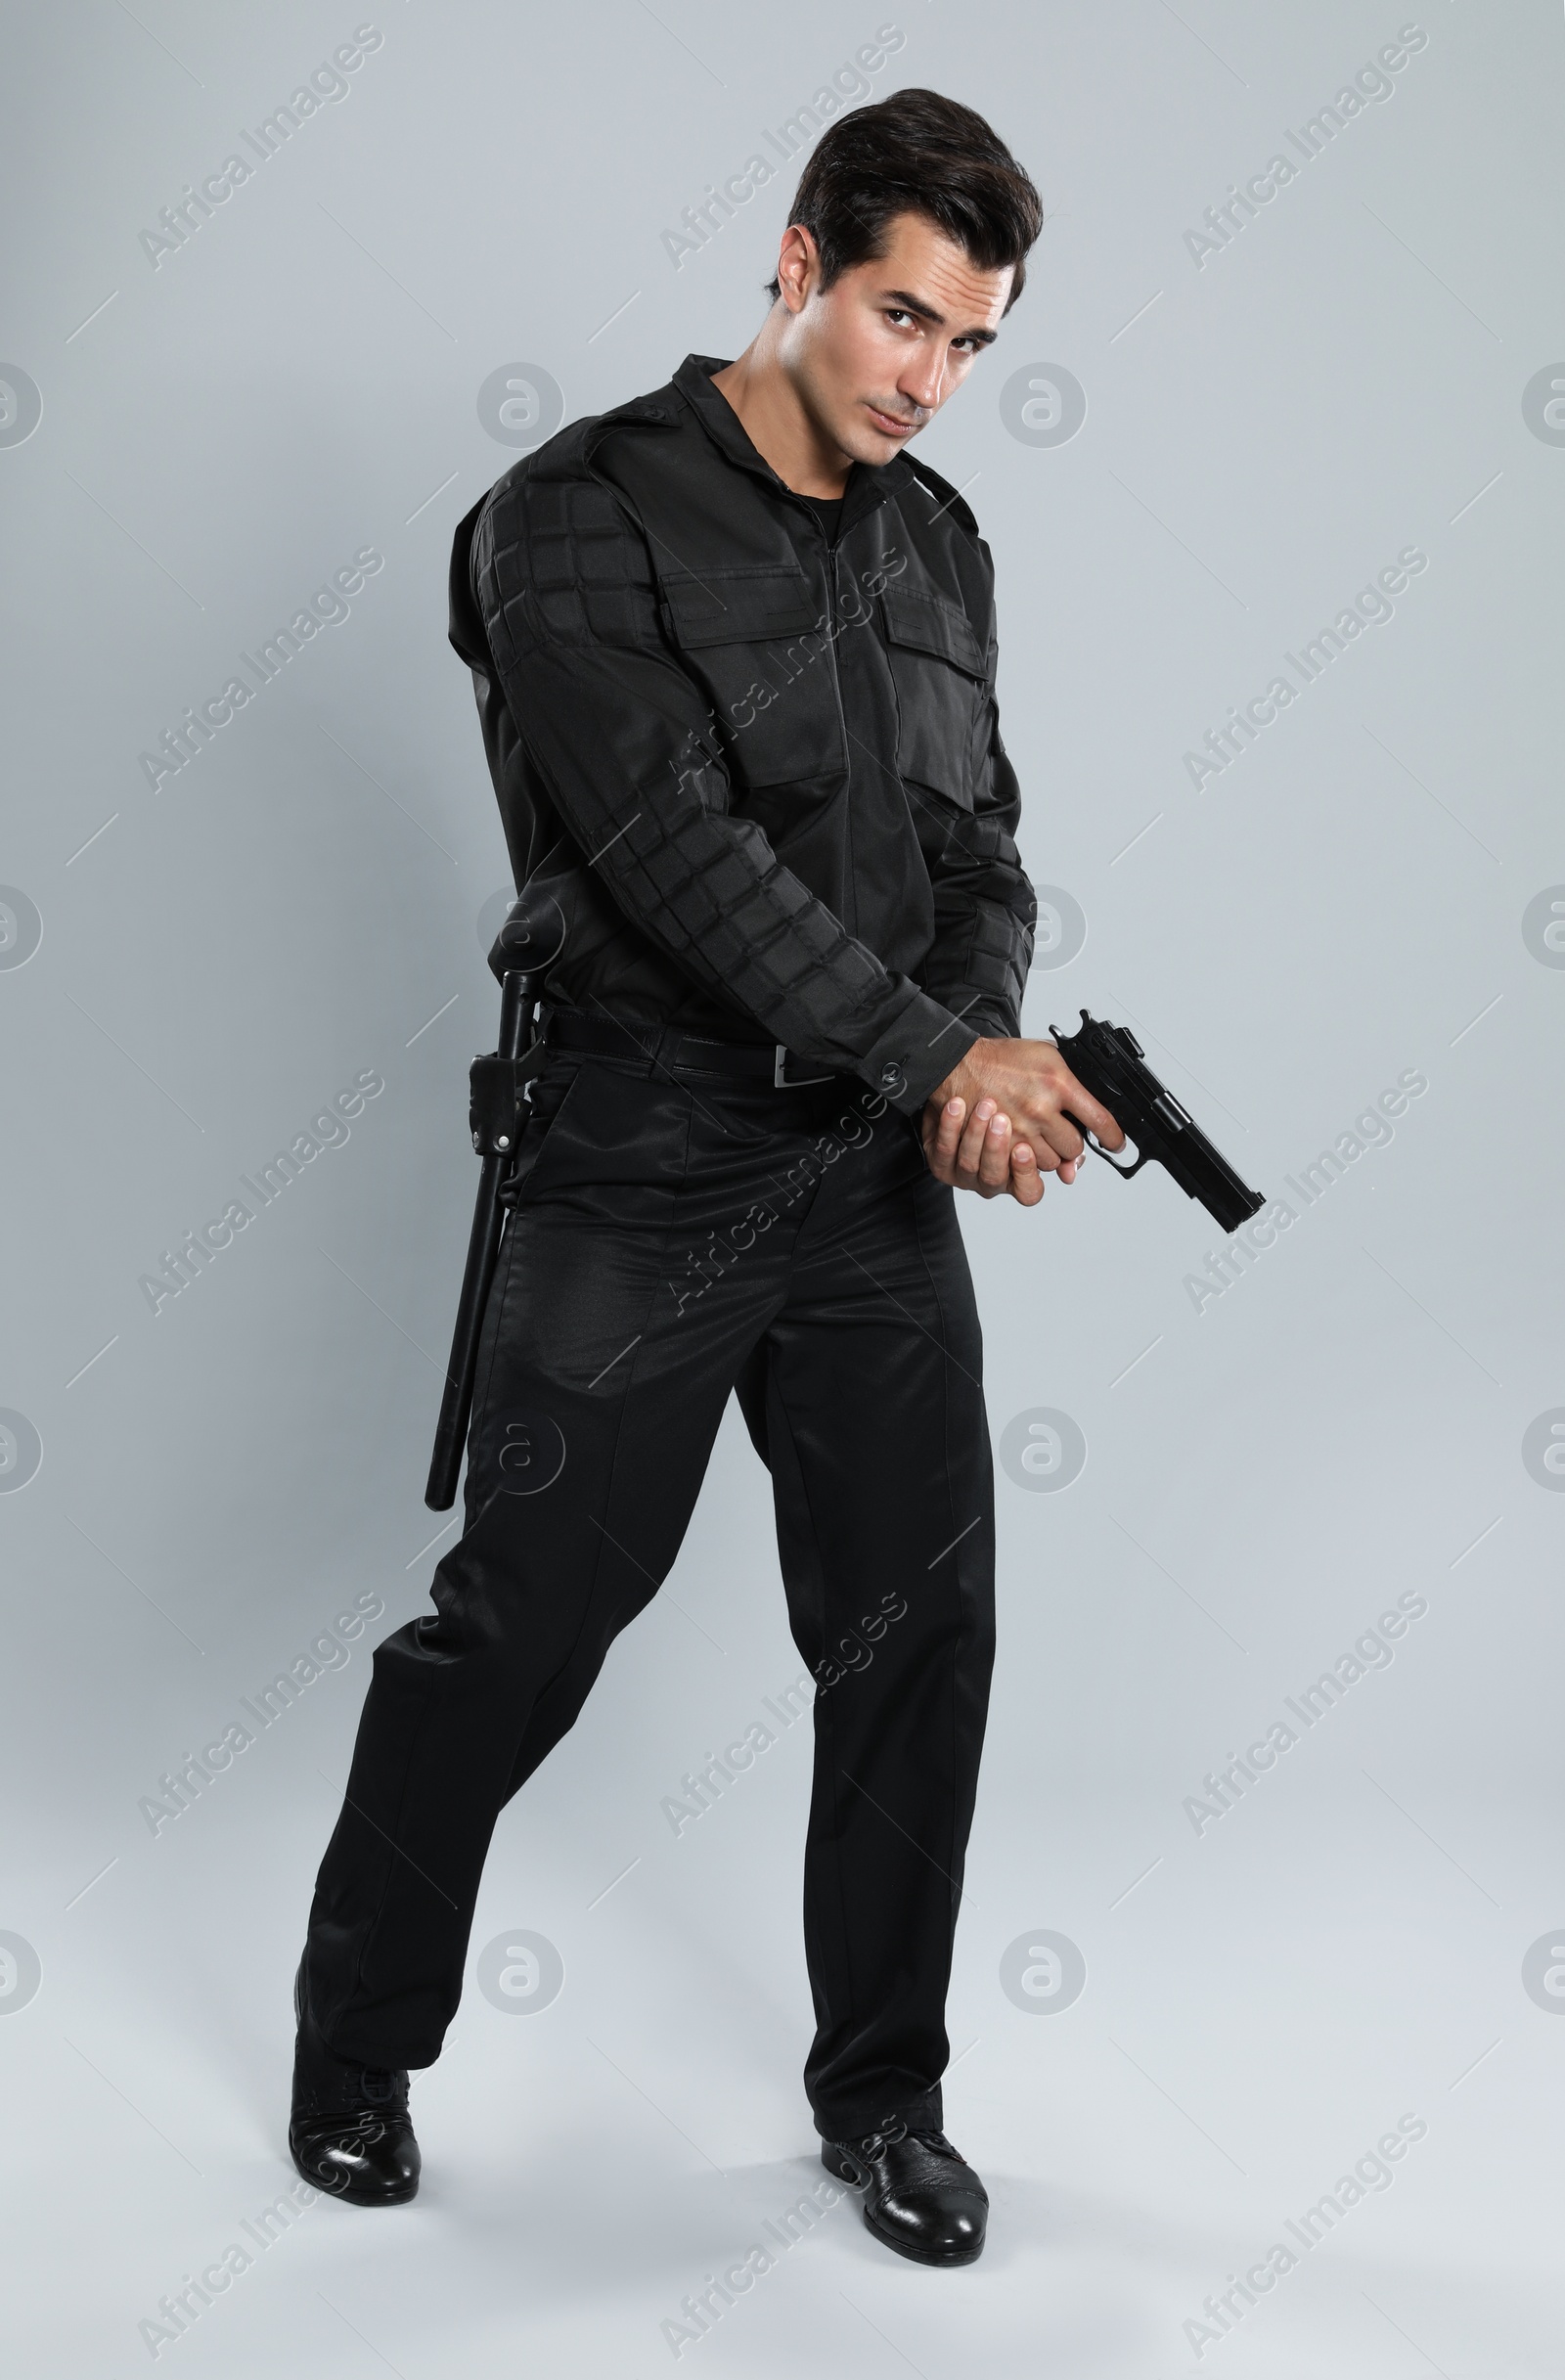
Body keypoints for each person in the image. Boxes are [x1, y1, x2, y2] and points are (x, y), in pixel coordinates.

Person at [290, 85, 1124, 2269]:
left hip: (867, 1177)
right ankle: (353, 2033)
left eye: (964, 344)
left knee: (917, 1626)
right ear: (790, 260)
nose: (918, 375)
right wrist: (960, 1050)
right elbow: (679, 866)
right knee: (526, 1626)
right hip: (640, 1157)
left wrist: (966, 1072)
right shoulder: (564, 522)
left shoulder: (935, 542)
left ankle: (886, 2096)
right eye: (894, 315)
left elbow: (974, 849)